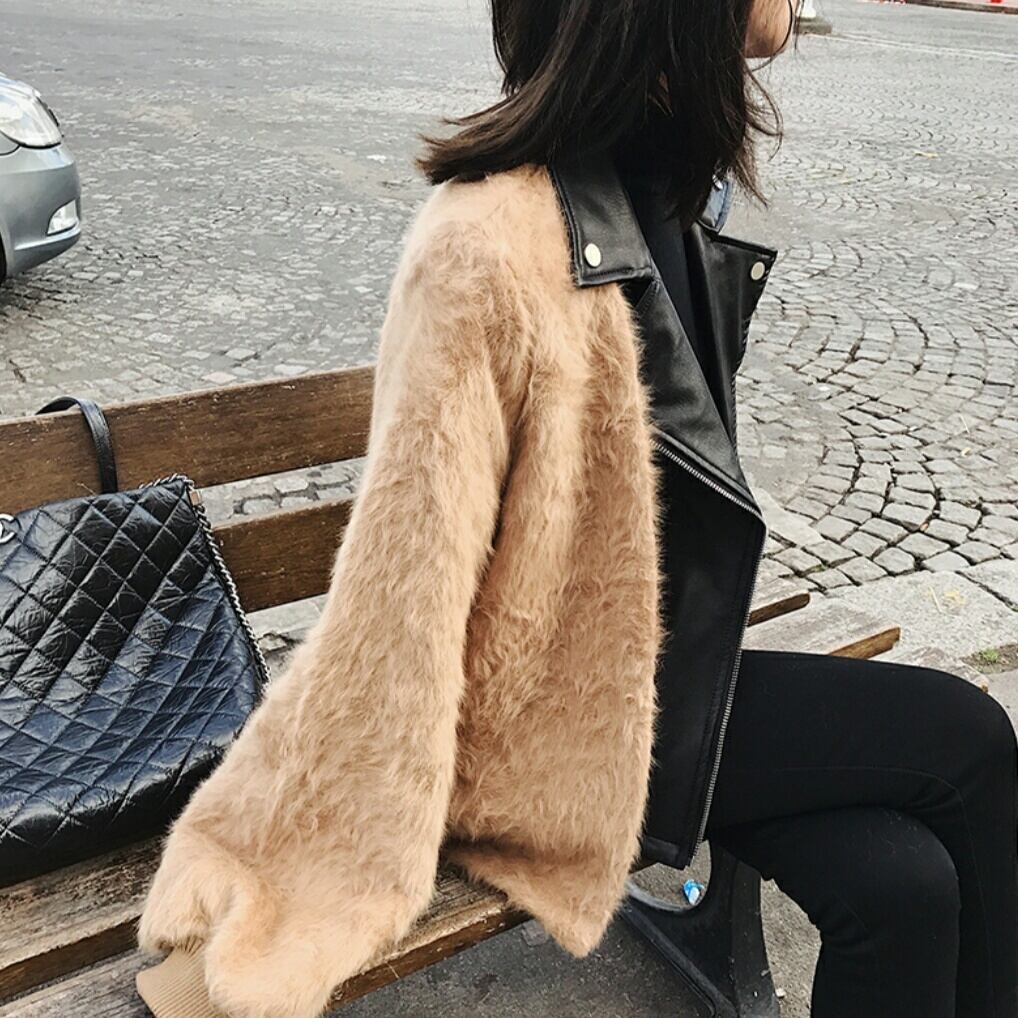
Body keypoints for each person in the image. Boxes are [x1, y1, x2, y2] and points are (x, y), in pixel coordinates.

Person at [134, 2, 1018, 1017]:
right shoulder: (490, 239)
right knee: (965, 735)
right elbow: (401, 588)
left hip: (645, 679)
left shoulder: (672, 188)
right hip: (545, 729)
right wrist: (317, 854)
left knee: (902, 887)